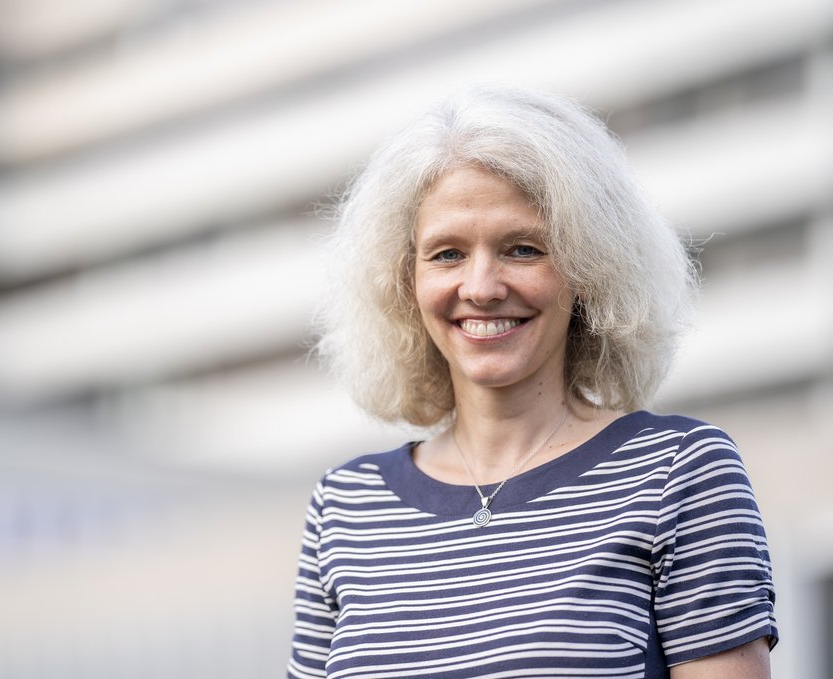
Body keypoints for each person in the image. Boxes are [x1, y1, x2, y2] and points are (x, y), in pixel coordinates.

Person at [287, 86, 777, 679]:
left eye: (522, 249)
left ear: (588, 271)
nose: (482, 286)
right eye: (446, 254)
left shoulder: (680, 472)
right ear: (403, 283)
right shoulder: (345, 506)